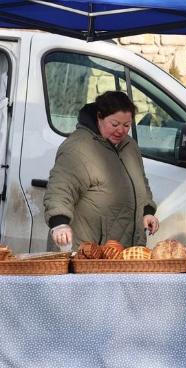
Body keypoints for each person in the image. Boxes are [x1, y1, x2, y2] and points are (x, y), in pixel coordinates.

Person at [45, 91, 158, 250]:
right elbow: (60, 188)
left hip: (124, 252)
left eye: (127, 125)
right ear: (99, 117)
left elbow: (141, 183)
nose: (121, 131)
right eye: (114, 124)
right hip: (87, 251)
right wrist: (59, 223)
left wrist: (147, 212)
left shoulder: (130, 146)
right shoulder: (78, 148)